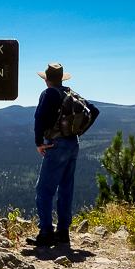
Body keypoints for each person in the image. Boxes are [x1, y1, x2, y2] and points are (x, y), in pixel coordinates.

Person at [28, 63, 99, 248]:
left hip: (56, 145)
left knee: (44, 190)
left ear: (46, 79)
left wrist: (39, 143)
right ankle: (63, 233)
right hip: (73, 144)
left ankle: (45, 233)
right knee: (66, 188)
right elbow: (94, 110)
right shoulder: (70, 92)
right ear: (61, 78)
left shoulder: (49, 93)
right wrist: (78, 132)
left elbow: (39, 118)